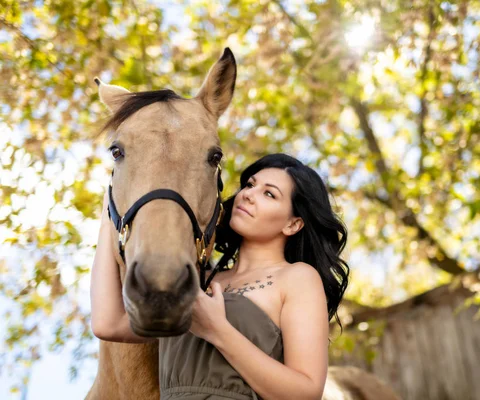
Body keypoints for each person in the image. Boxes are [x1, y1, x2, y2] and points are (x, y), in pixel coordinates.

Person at [91, 153, 350, 400]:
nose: (248, 195)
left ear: (292, 224)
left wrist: (217, 330)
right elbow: (108, 324)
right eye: (250, 185)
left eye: (269, 194)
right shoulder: (197, 279)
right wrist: (108, 219)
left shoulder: (298, 278)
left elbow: (306, 393)